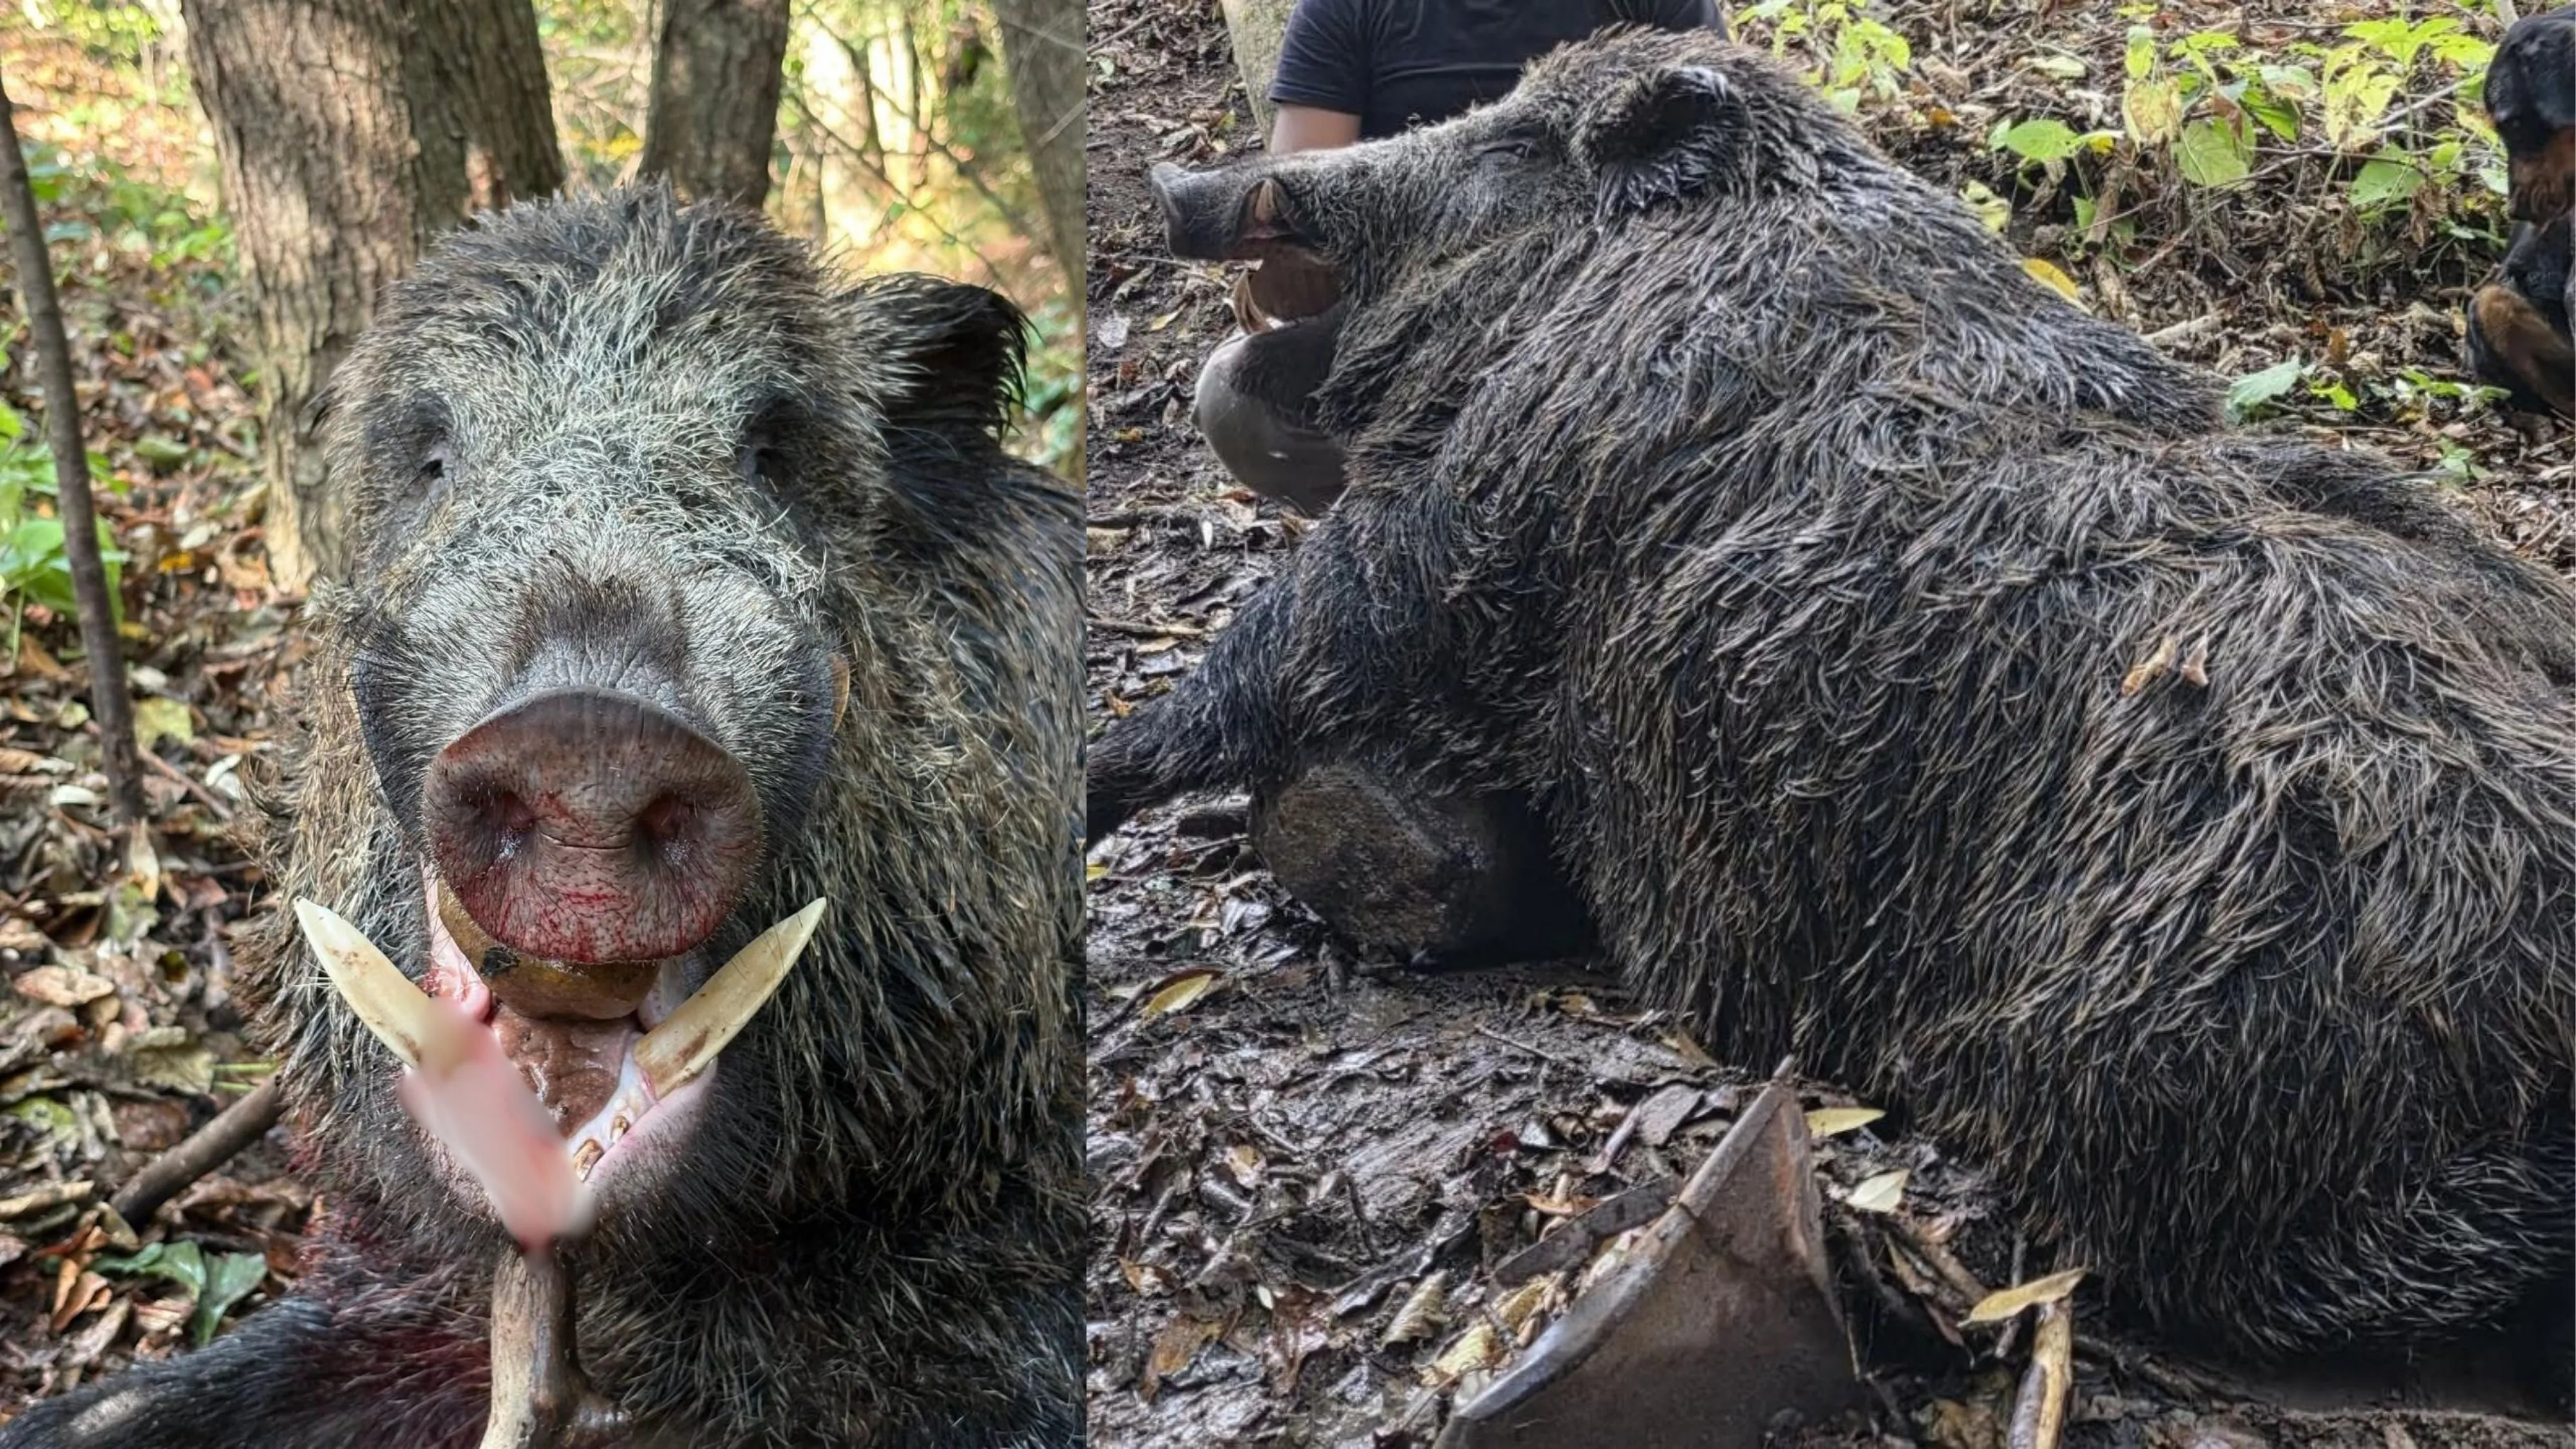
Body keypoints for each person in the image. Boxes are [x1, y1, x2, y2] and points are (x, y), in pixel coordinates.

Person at [1195, 0, 1727, 511]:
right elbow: (1303, 198)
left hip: (1615, 308)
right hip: (1410, 310)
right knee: (1233, 399)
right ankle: (1389, 518)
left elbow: (1721, 162)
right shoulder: (1349, 9)